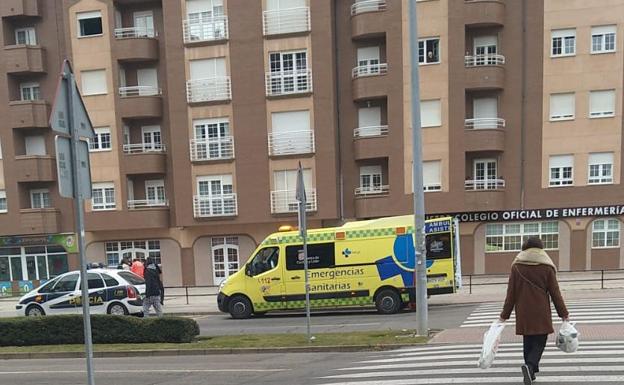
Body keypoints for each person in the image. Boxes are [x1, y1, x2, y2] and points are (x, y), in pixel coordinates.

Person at [499, 236, 569, 385]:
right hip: (541, 311)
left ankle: (531, 372)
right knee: (540, 341)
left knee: (528, 340)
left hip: (523, 311)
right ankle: (530, 367)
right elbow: (555, 293)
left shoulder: (516, 266)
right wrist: (564, 314)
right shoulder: (547, 267)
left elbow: (510, 294)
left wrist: (504, 316)